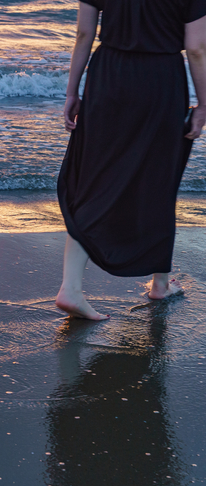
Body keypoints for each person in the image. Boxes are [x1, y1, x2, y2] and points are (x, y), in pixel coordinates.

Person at [55, 0, 206, 320]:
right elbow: (196, 48)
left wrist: (72, 92)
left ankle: (71, 287)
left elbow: (84, 34)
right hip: (161, 82)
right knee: (159, 178)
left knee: (94, 178)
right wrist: (204, 105)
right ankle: (160, 283)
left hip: (109, 75)